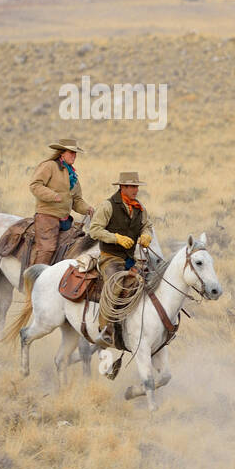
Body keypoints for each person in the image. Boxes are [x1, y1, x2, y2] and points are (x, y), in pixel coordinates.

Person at [86, 172, 154, 350]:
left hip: (131, 259)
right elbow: (94, 230)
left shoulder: (139, 208)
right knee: (115, 285)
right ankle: (105, 330)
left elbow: (147, 225)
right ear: (122, 187)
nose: (135, 190)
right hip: (110, 258)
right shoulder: (108, 206)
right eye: (131, 186)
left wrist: (147, 235)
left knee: (151, 282)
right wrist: (116, 238)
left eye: (136, 186)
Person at [28, 137, 92, 265]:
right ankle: (35, 278)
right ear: (62, 153)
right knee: (47, 249)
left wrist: (88, 209)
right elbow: (35, 185)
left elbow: (77, 200)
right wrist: (52, 195)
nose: (74, 156)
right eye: (71, 152)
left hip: (65, 219)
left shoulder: (72, 175)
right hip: (47, 216)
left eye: (75, 153)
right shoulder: (49, 166)